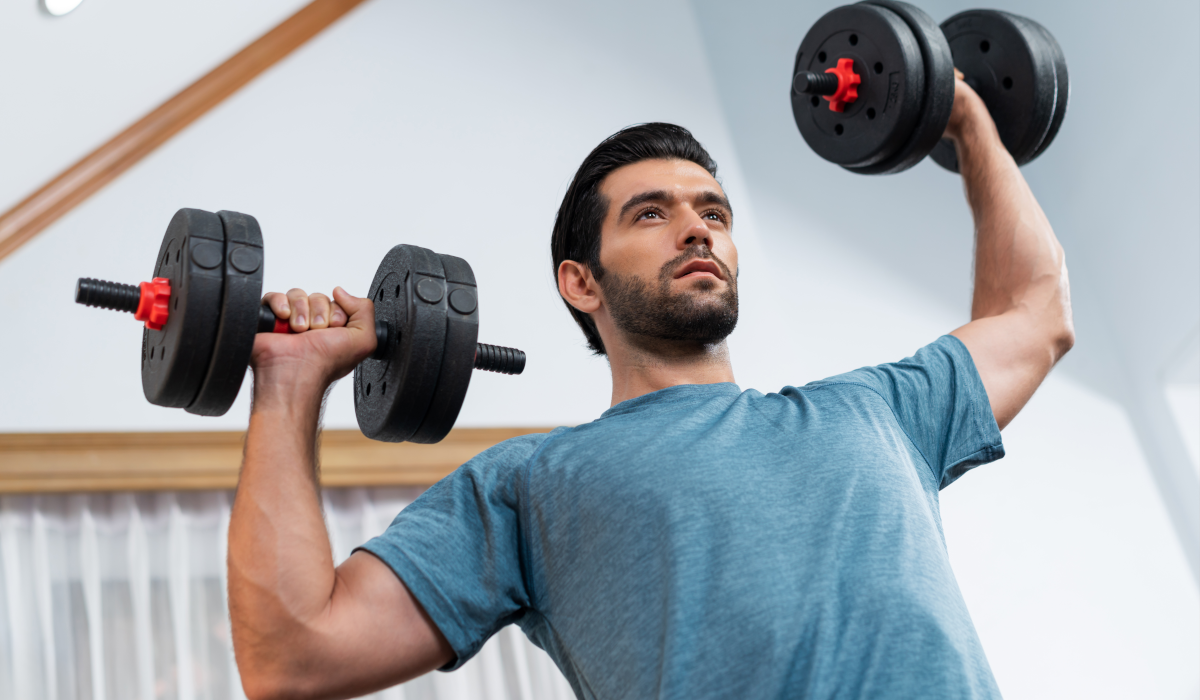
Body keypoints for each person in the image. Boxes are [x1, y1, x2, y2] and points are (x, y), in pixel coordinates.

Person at [227, 72, 1074, 700]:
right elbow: (293, 656)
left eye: (713, 212)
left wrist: (965, 118)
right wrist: (288, 383)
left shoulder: (878, 409)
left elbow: (1036, 314)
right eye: (650, 213)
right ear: (580, 283)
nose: (698, 228)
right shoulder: (529, 485)